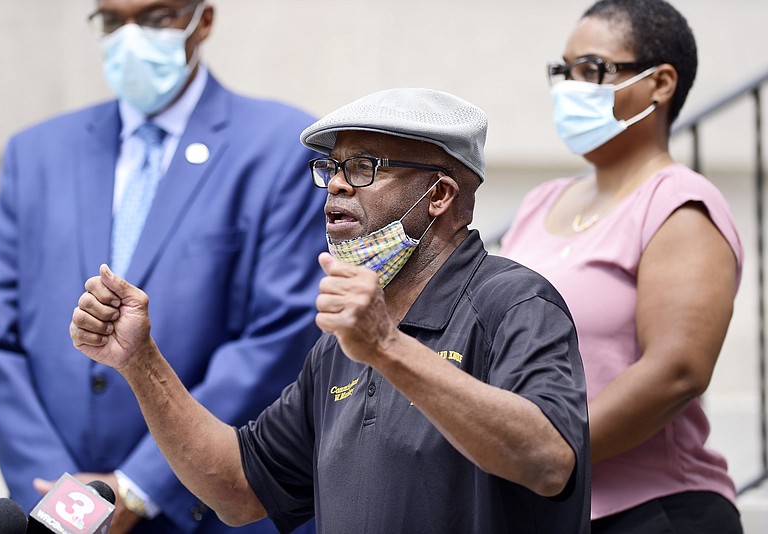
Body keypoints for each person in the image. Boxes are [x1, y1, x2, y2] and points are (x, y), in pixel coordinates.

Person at [69, 87, 592, 533]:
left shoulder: (514, 302)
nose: (337, 183)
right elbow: (238, 489)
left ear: (439, 194)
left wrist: (388, 350)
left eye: (365, 167)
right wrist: (141, 362)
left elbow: (547, 462)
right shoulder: (340, 345)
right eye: (332, 167)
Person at [0, 1, 325, 532]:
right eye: (113, 21)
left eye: (157, 17)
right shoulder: (37, 153)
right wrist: (72, 502)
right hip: (58, 513)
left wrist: (137, 488)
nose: (130, 38)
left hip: (213, 512)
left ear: (202, 20)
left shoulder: (281, 148)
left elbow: (278, 336)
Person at [499, 0, 744, 532]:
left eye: (593, 70)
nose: (569, 88)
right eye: (562, 72)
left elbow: (677, 372)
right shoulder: (542, 202)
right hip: (549, 514)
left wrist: (551, 453)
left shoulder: (679, 203)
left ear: (659, 84)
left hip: (652, 512)